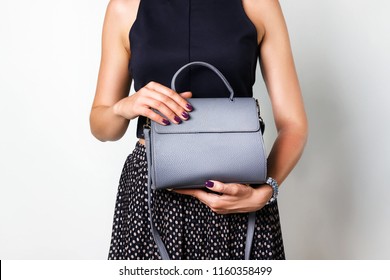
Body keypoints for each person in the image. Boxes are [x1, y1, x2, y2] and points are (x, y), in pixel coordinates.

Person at [90, 0, 308, 260]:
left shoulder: (258, 4)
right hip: (152, 191)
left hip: (238, 192)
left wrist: (266, 190)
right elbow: (103, 127)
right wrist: (124, 107)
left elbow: (293, 124)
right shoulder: (125, 7)